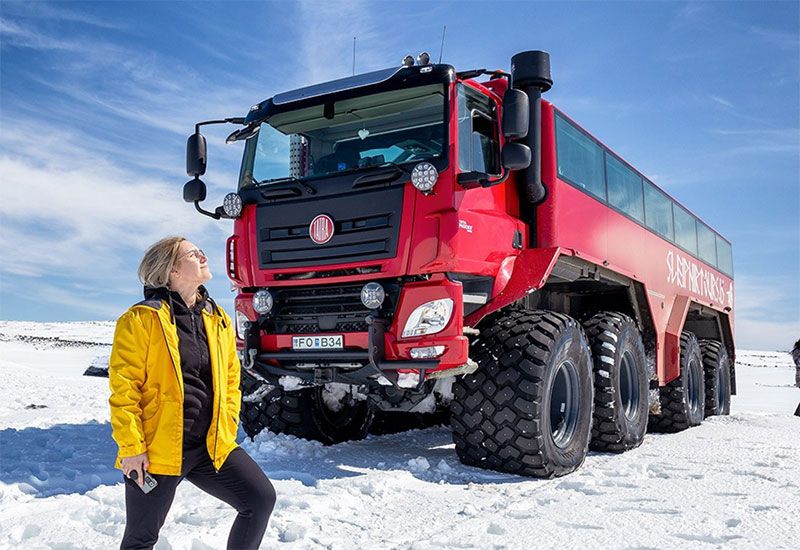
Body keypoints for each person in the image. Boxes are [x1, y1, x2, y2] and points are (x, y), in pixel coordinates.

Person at [109, 236, 275, 550]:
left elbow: (230, 381)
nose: (203, 256)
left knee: (259, 499)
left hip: (210, 446)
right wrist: (132, 448)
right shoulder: (141, 319)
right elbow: (124, 390)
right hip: (158, 452)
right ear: (172, 269)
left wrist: (226, 427)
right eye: (193, 254)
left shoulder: (217, 318)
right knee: (140, 540)